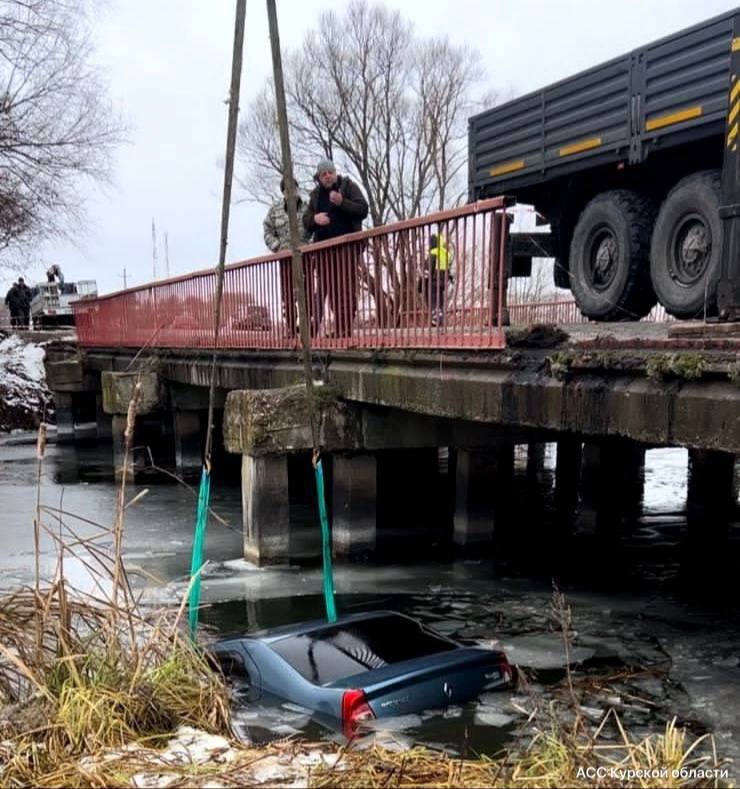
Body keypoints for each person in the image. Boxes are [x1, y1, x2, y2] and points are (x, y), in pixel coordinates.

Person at [303, 159, 368, 338]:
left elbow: (363, 209)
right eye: (323, 174)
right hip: (324, 250)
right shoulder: (315, 195)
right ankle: (336, 329)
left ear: (335, 172)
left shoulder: (348, 186)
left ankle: (344, 330)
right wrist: (315, 219)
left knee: (345, 289)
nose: (327, 176)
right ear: (319, 178)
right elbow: (305, 220)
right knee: (331, 290)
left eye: (330, 172)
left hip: (346, 247)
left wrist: (342, 202)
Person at [263, 177, 311, 336]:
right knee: (288, 295)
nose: (291, 192)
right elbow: (268, 231)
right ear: (283, 192)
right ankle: (291, 328)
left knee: (307, 292)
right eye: (287, 190)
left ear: (297, 189)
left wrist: (311, 246)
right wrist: (277, 247)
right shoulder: (274, 211)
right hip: (285, 259)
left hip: (305, 257)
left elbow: (314, 228)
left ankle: (307, 327)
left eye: (293, 188)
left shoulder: (307, 208)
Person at [426, 232, 453, 326]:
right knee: (440, 301)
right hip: (443, 282)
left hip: (434, 280)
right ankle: (440, 320)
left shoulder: (433, 252)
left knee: (433, 301)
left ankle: (435, 321)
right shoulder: (446, 254)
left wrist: (421, 285)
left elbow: (428, 269)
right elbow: (449, 269)